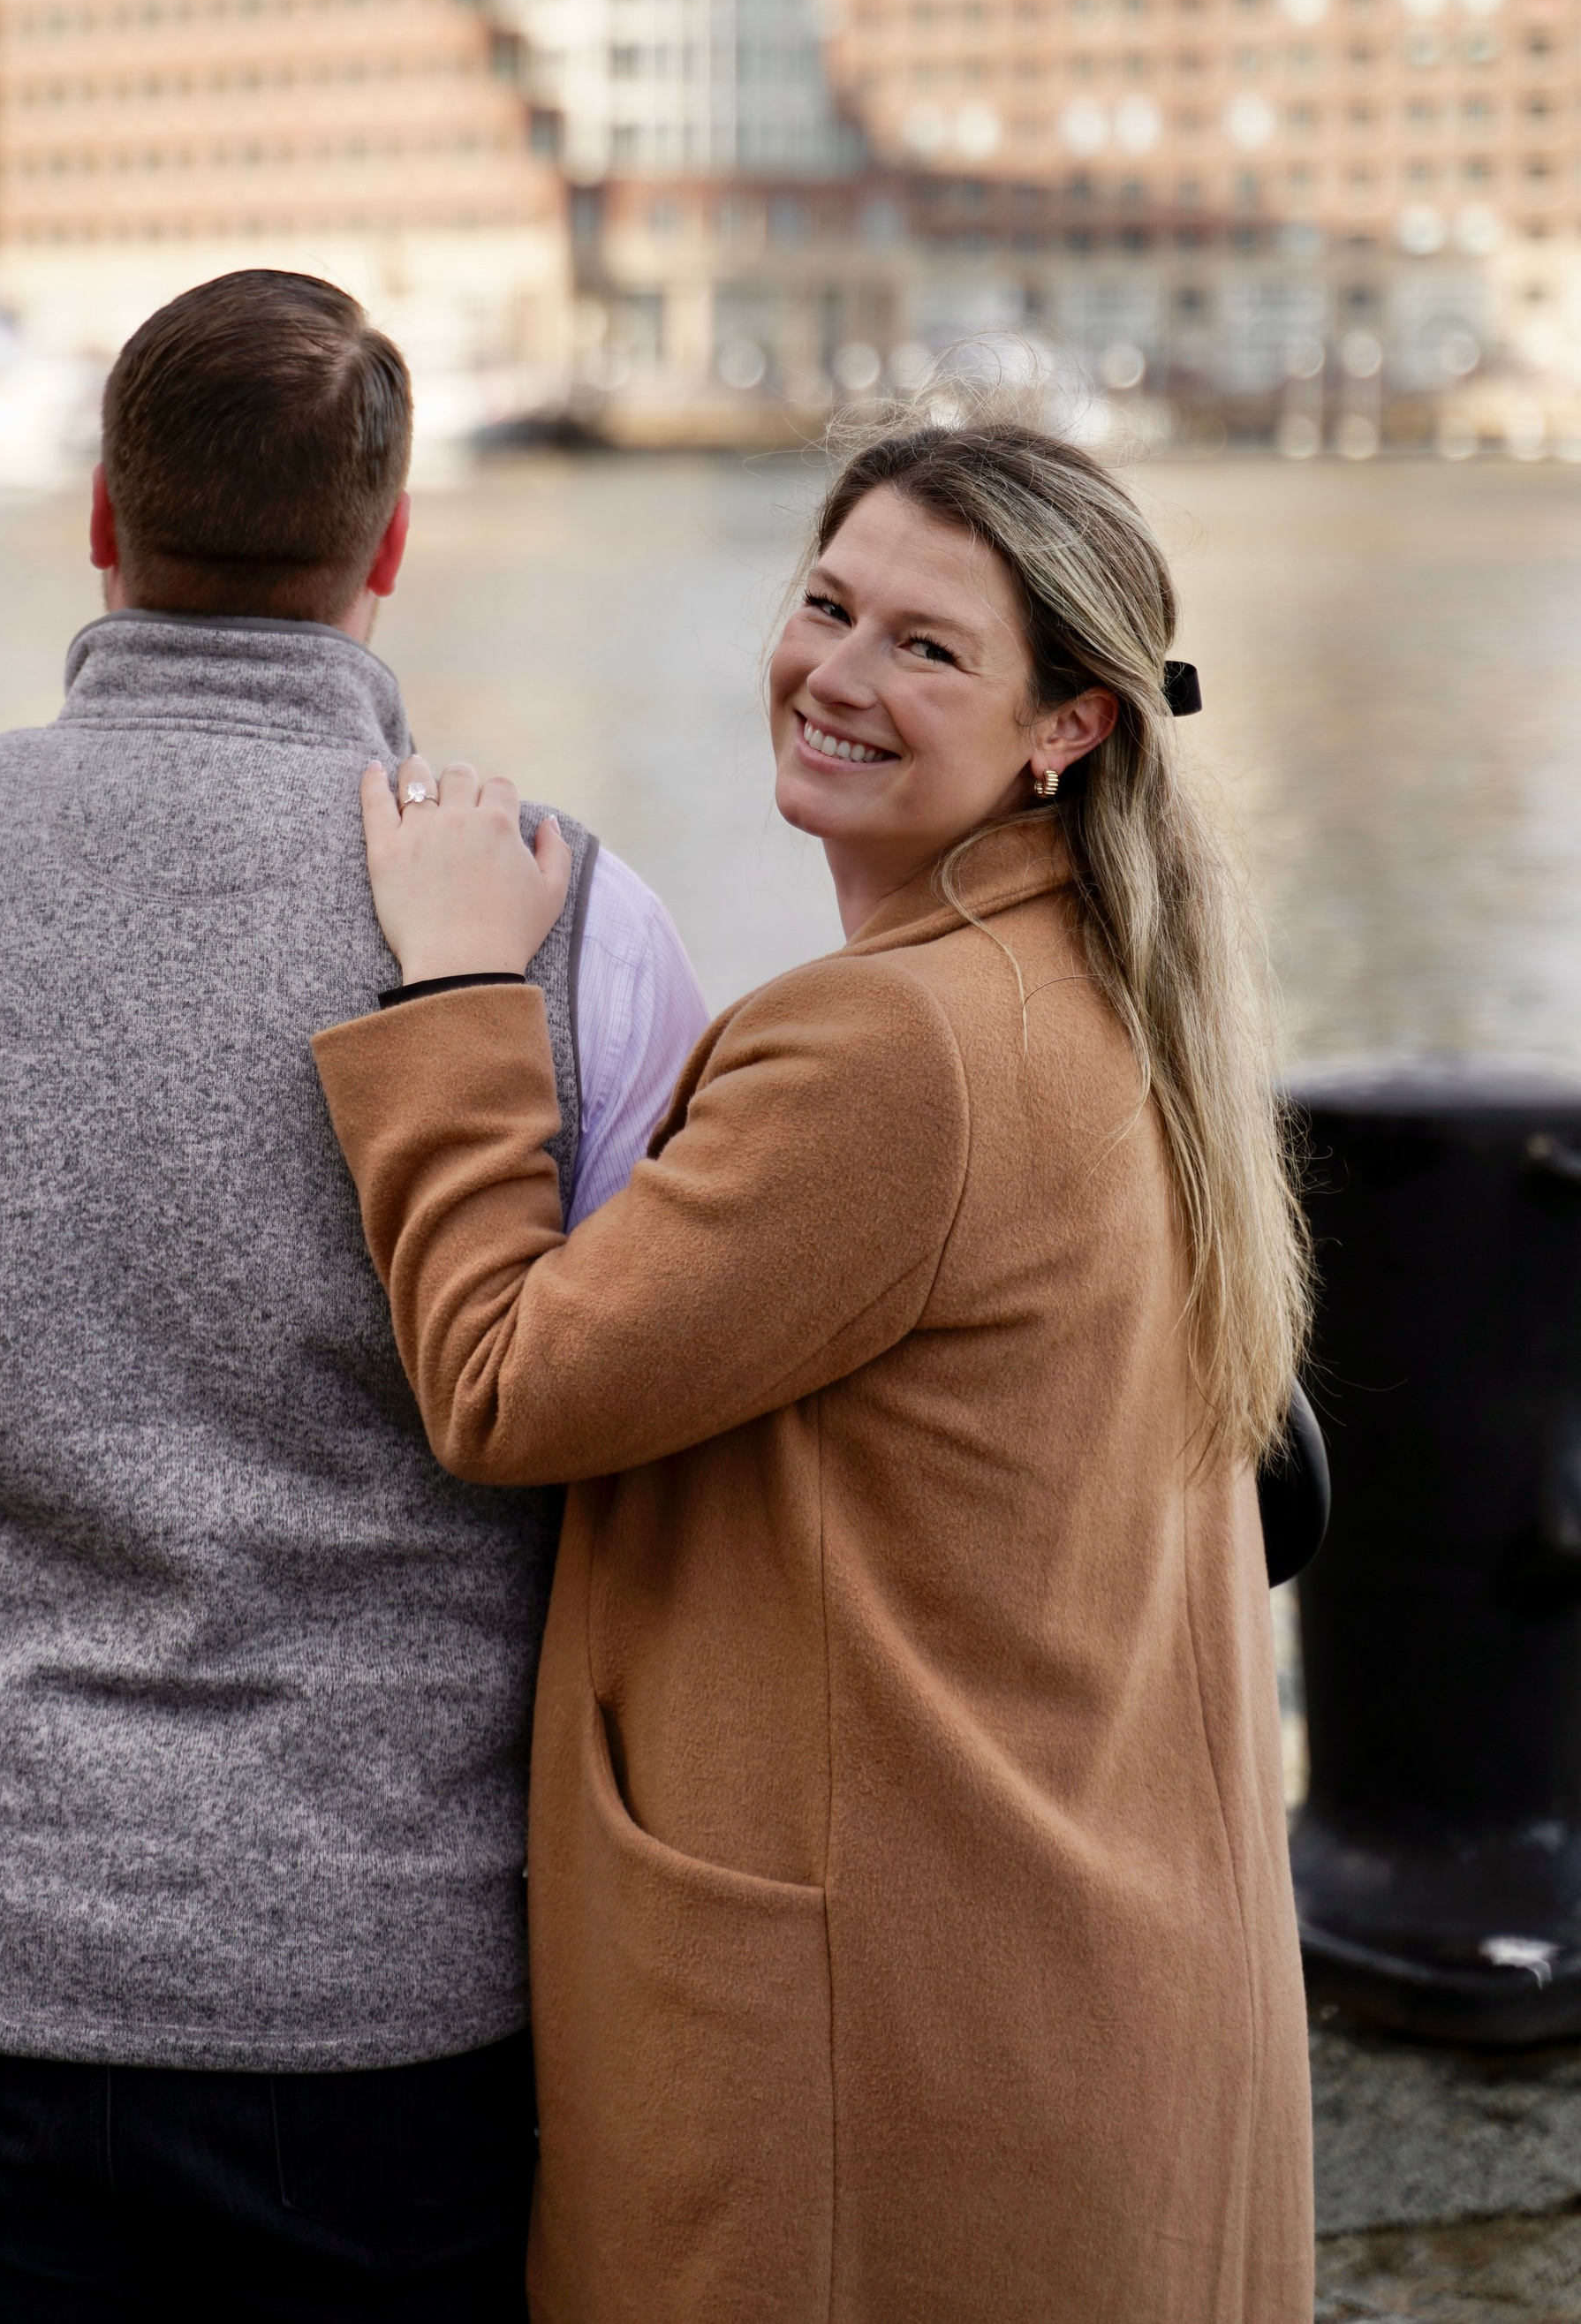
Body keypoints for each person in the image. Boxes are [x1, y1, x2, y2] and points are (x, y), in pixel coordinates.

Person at [0, 269, 706, 2324]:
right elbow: (642, 1448)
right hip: (405, 1994)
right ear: (388, 542)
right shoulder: (580, 924)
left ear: (98, 514)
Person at [313, 410, 1315, 2324]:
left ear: (1066, 724)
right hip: (1068, 1974)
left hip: (877, 2037)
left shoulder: (892, 1052)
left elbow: (507, 1383)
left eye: (924, 646)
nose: (833, 674)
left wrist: (452, 992)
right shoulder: (1106, 993)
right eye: (823, 603)